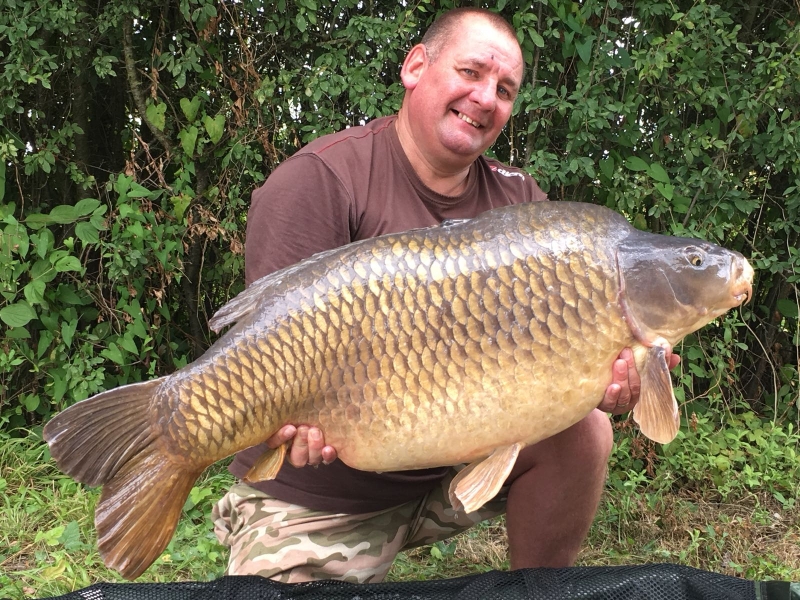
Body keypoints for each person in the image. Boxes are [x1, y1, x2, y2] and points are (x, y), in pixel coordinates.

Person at [212, 7, 678, 583]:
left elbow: (558, 373)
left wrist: (601, 386)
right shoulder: (322, 179)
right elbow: (272, 347)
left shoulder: (524, 210)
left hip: (453, 472)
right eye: (472, 72)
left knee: (584, 428)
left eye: (505, 89)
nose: (486, 97)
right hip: (322, 495)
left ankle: (537, 591)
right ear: (415, 67)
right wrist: (279, 420)